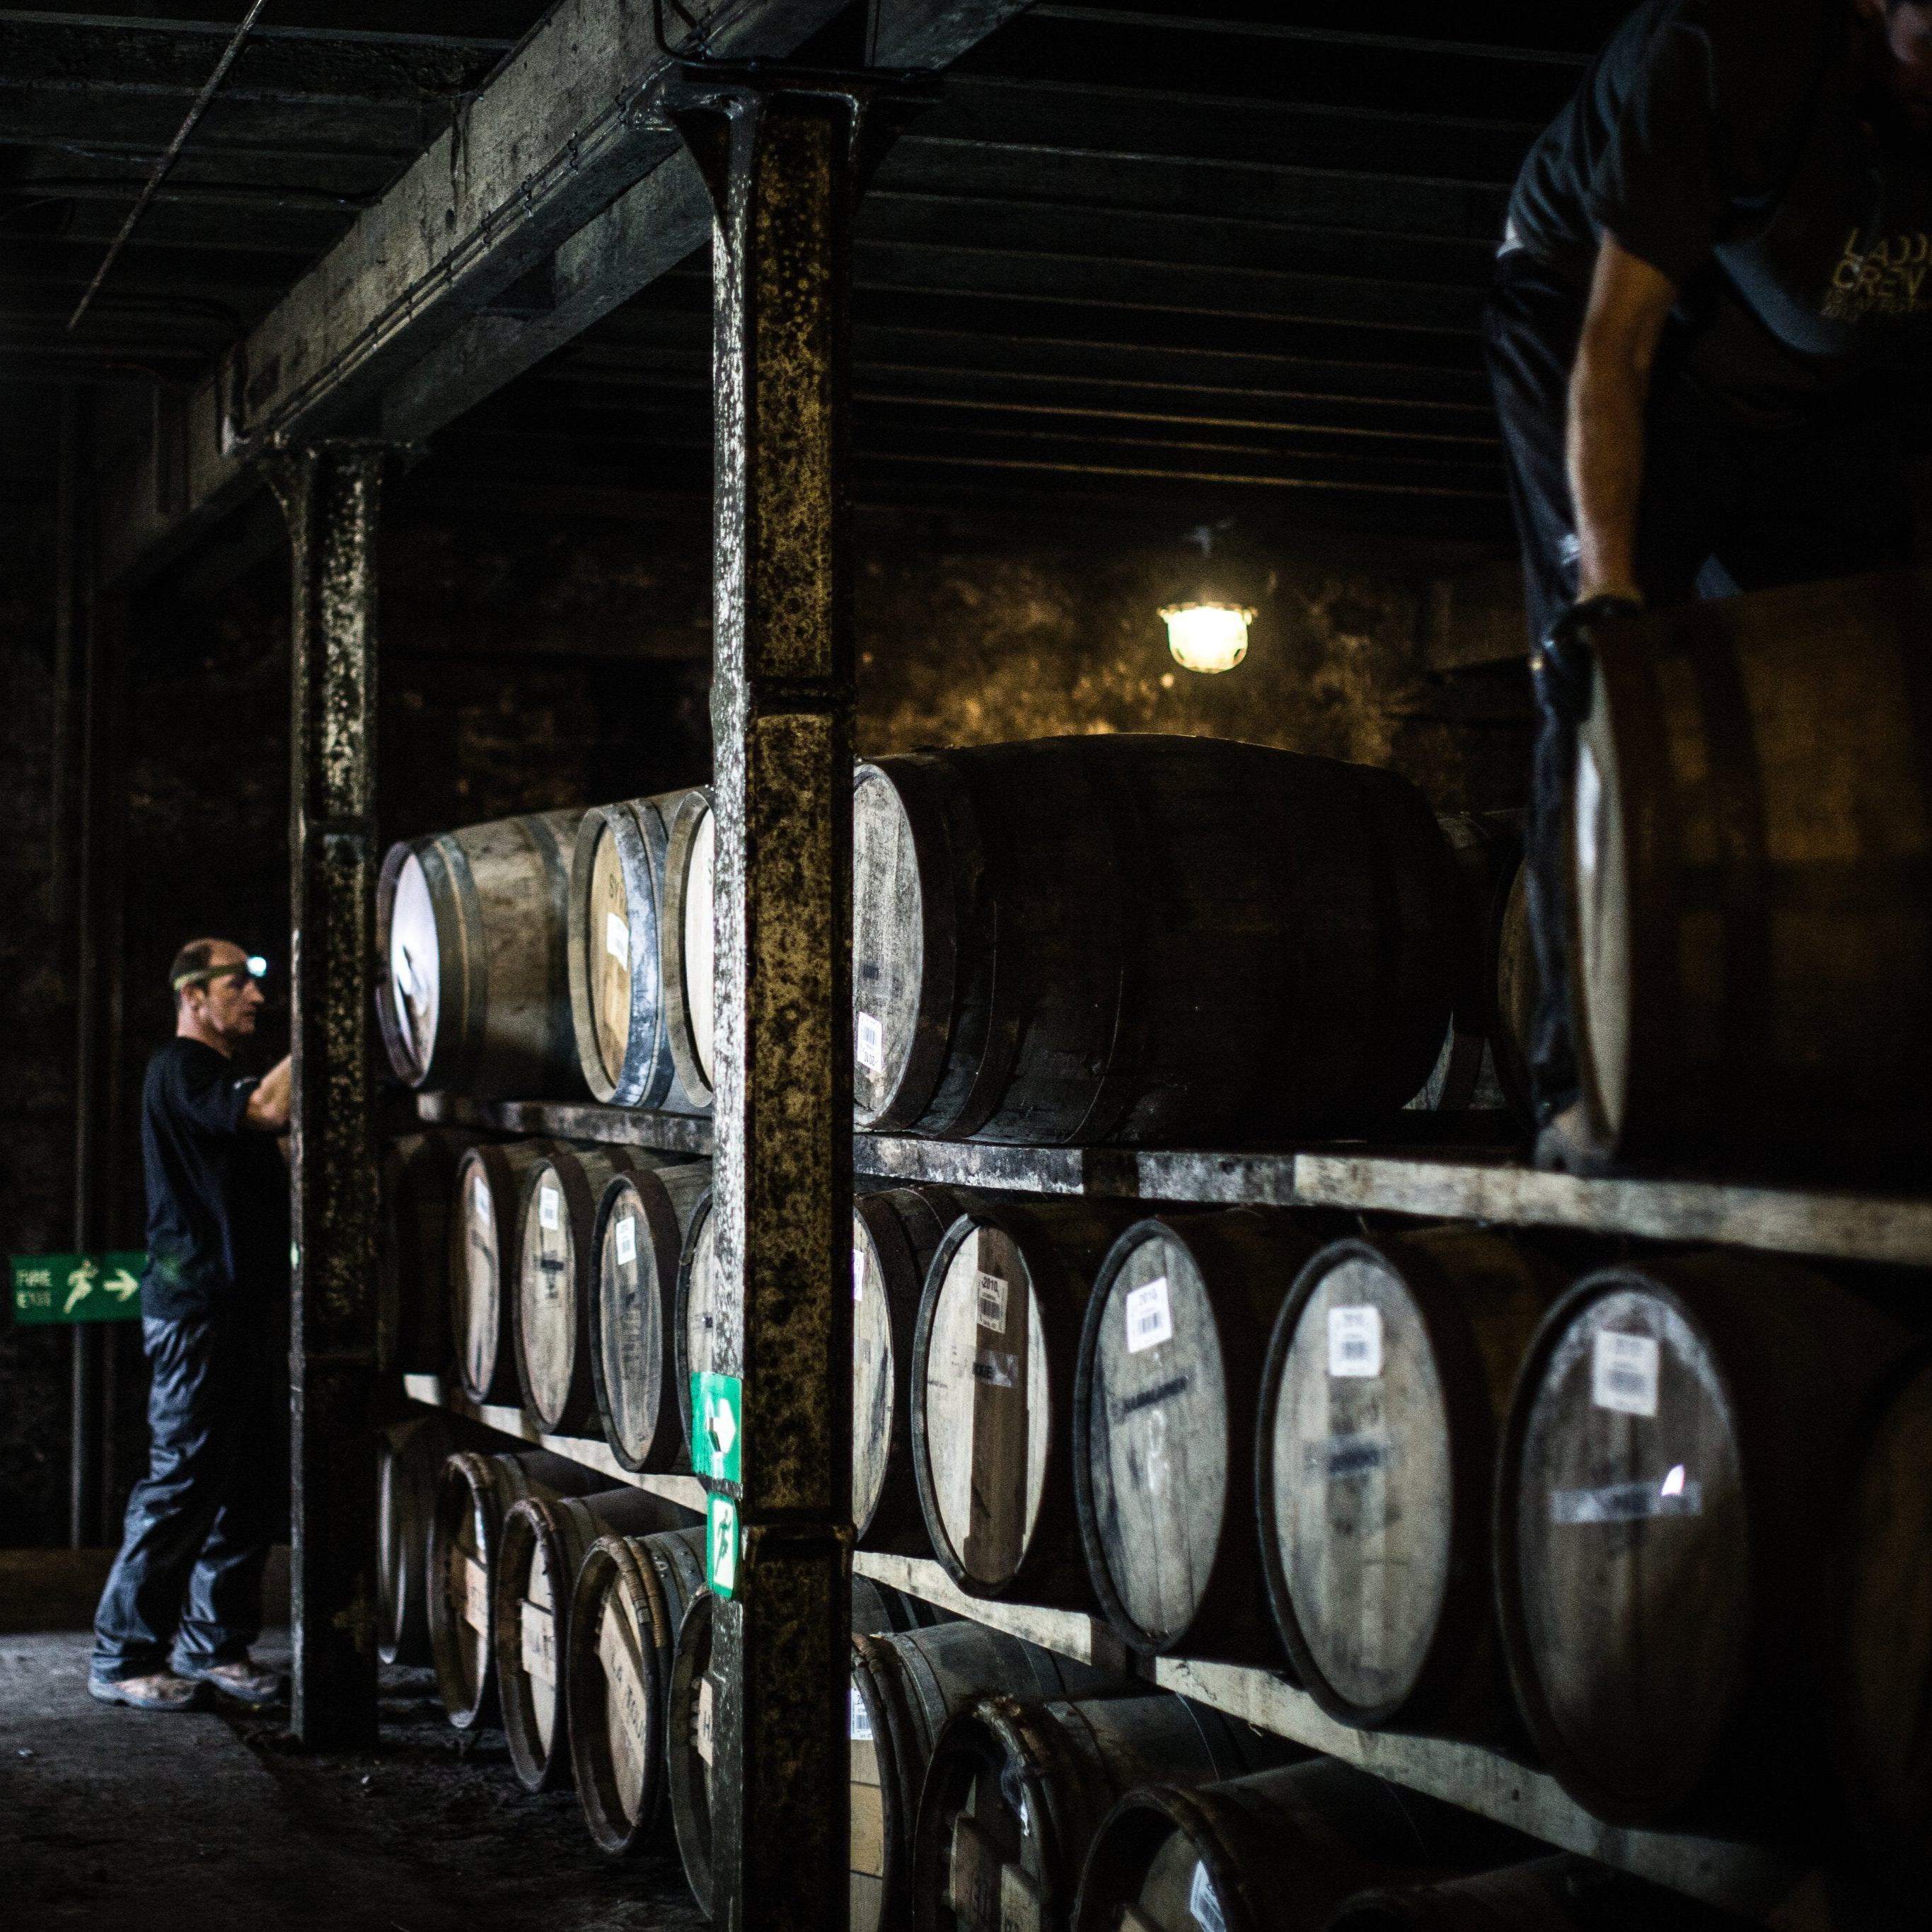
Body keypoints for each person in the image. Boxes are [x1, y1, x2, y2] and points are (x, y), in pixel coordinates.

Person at [1483, 0, 1932, 1164]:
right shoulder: (1734, 49)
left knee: (1870, 698)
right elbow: (1612, 347)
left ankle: (1856, 1054)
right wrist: (1613, 599)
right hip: (1613, 335)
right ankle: (1583, 1085)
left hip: (1813, 384)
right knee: (1596, 685)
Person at [91, 939, 291, 1711]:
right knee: (180, 1483)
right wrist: (334, 1031)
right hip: (196, 1312)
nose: (255, 997)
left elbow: (274, 1135)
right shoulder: (181, 1070)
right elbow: (272, 1108)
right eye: (238, 983)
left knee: (246, 1488)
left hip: (238, 1310)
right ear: (193, 995)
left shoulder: (218, 1079)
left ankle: (215, 1646)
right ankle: (122, 1655)